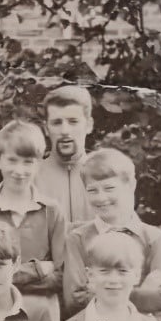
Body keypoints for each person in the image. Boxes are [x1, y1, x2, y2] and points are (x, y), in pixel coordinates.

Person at [0, 119, 66, 321]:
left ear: (38, 164)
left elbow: (62, 275)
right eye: (12, 160)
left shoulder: (52, 210)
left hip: (44, 313)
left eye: (28, 162)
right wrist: (39, 268)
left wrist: (3, 274)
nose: (19, 170)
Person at [62, 148, 161, 318]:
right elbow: (74, 301)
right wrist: (141, 292)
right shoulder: (78, 239)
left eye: (109, 188)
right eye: (92, 190)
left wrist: (98, 291)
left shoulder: (155, 239)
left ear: (131, 185)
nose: (101, 198)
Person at [37, 84, 96, 224]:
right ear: (46, 128)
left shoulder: (107, 176)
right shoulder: (29, 178)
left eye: (73, 122)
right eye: (57, 123)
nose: (64, 131)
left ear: (89, 125)